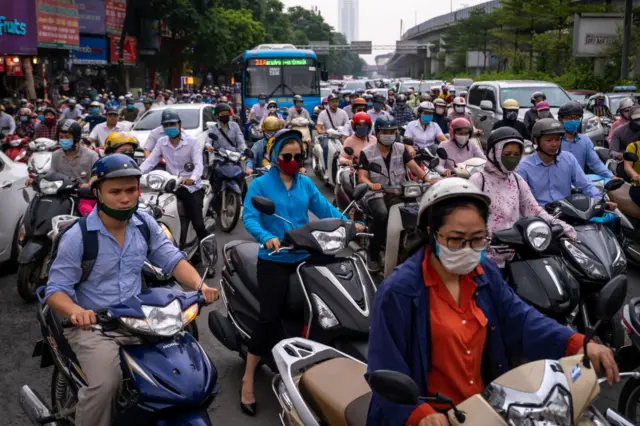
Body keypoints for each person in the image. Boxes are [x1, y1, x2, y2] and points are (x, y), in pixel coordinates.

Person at [366, 177, 619, 426]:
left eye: (477, 239)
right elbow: (386, 365)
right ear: (432, 233)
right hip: (433, 416)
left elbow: (519, 318)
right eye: (456, 239)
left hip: (483, 408)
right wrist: (419, 414)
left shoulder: (484, 272)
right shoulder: (399, 292)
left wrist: (575, 342)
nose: (467, 249)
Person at [44, 153, 218, 426]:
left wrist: (200, 286)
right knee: (106, 384)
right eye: (115, 191)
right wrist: (78, 312)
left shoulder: (144, 224)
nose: (125, 198)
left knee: (186, 373)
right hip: (95, 326)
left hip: (140, 317)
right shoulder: (78, 236)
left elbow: (171, 259)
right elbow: (55, 290)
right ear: (98, 192)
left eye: (130, 190)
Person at [240, 129, 362, 414]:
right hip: (275, 257)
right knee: (268, 317)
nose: (293, 161)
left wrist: (350, 225)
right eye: (287, 156)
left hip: (307, 255)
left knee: (327, 308)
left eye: (297, 156)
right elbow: (249, 217)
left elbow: (324, 209)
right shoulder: (260, 186)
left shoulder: (305, 183)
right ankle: (248, 379)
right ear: (275, 156)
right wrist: (265, 237)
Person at [470, 127, 576, 267]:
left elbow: (534, 210)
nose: (512, 158)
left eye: (516, 154)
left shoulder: (516, 180)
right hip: (486, 258)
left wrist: (561, 226)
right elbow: (469, 219)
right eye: (507, 154)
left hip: (516, 254)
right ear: (493, 153)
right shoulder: (479, 181)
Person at [359, 118, 436, 271]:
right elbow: (362, 176)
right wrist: (371, 185)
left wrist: (428, 179)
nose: (389, 135)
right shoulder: (366, 152)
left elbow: (414, 168)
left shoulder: (401, 148)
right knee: (381, 214)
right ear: (377, 133)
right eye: (385, 132)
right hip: (377, 193)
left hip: (400, 191)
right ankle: (372, 253)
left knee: (419, 212)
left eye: (392, 132)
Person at [140, 109, 209, 241]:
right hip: (170, 186)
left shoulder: (192, 142)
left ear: (179, 124)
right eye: (166, 125)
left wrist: (192, 179)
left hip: (190, 188)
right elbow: (150, 161)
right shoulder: (162, 142)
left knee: (198, 224)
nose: (169, 127)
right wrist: (136, 174)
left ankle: (205, 246)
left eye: (172, 124)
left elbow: (199, 165)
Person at [516, 118, 616, 209]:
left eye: (557, 139)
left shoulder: (568, 159)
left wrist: (601, 201)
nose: (554, 144)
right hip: (539, 219)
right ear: (536, 140)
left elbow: (585, 185)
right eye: (549, 140)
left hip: (568, 212)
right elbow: (520, 200)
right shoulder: (523, 168)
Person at [558, 101, 613, 179]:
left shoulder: (585, 140)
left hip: (580, 183)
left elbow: (595, 163)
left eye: (576, 118)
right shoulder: (554, 140)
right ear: (561, 119)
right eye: (569, 118)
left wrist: (611, 176)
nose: (573, 121)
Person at [50, 120, 99, 184]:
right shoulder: (55, 155)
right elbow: (51, 175)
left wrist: (89, 185)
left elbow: (97, 178)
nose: (64, 140)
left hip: (84, 193)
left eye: (67, 137)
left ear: (76, 138)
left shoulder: (91, 156)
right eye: (61, 137)